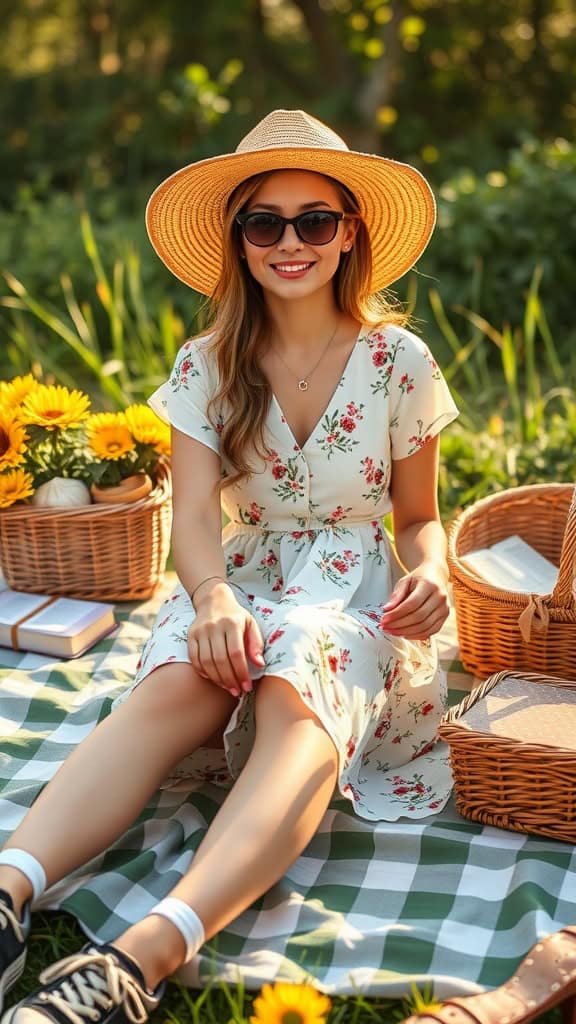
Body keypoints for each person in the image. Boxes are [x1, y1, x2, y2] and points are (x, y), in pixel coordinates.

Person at [0, 108, 462, 1024]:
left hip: (356, 595)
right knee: (181, 673)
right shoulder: (206, 363)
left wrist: (434, 573)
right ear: (240, 242)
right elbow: (198, 521)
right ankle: (7, 894)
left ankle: (137, 960)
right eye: (265, 222)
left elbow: (419, 520)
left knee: (301, 682)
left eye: (315, 221)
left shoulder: (398, 361)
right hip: (243, 576)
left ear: (349, 236)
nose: (290, 242)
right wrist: (210, 597)